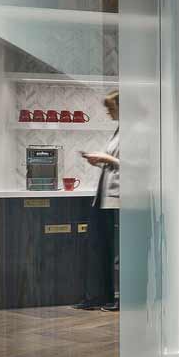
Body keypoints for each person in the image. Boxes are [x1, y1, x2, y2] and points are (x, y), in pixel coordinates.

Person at [75, 89, 120, 311]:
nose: (108, 113)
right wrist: (101, 161)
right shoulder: (121, 131)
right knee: (101, 248)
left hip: (119, 199)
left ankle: (118, 298)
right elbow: (117, 163)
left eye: (111, 108)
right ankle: (101, 296)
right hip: (105, 198)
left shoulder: (134, 132)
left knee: (117, 252)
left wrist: (106, 157)